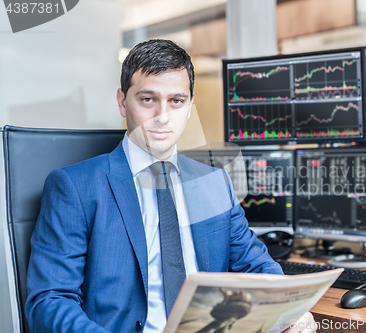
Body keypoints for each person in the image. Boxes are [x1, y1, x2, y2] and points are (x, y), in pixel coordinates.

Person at [25, 39, 316, 333]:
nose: (163, 117)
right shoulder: (75, 186)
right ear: (123, 102)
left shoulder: (213, 182)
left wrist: (294, 309)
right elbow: (49, 301)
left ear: (190, 106)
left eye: (176, 101)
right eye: (148, 99)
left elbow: (256, 265)